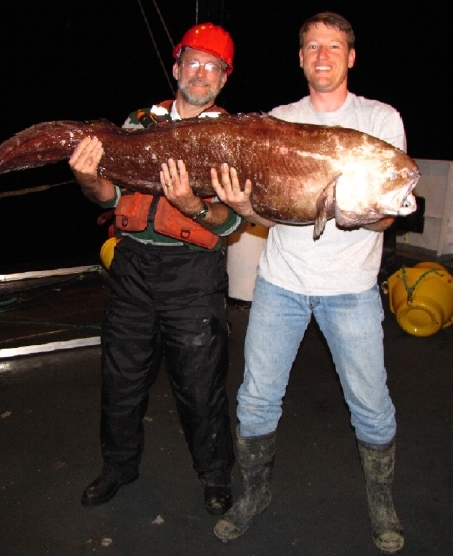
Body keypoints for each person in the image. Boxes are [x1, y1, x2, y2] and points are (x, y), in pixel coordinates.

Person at [210, 12, 406, 554]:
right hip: (282, 283)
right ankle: (254, 493)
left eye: (334, 46)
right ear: (300, 58)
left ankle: (382, 500)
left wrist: (358, 210)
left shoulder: (381, 120)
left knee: (369, 401)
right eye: (312, 46)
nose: (323, 55)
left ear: (351, 56)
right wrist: (247, 207)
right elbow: (271, 214)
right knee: (255, 399)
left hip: (352, 288)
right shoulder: (277, 120)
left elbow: (390, 213)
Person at [68, 23, 242, 516]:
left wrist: (189, 204)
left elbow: (229, 224)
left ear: (224, 79)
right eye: (194, 62)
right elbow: (111, 194)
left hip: (193, 274)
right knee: (121, 376)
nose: (202, 74)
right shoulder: (138, 121)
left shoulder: (232, 136)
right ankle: (118, 466)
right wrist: (88, 179)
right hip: (133, 267)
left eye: (214, 66)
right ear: (177, 68)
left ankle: (214, 475)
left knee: (200, 382)